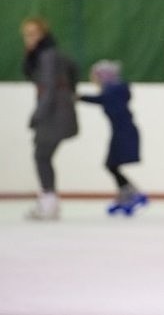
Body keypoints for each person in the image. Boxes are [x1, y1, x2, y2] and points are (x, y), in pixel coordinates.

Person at [20, 16, 78, 220]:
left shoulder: (46, 55)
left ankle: (49, 203)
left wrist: (37, 115)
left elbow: (49, 89)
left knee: (41, 156)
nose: (29, 38)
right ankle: (48, 201)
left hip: (53, 113)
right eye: (27, 34)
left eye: (34, 33)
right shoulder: (47, 53)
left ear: (42, 34)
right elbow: (72, 68)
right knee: (43, 156)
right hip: (56, 110)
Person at [78, 60, 148, 216]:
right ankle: (129, 193)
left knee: (111, 165)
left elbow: (103, 100)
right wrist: (80, 97)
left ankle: (133, 194)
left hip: (124, 132)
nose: (94, 80)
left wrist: (80, 97)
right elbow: (101, 100)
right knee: (111, 165)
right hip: (123, 131)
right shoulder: (113, 91)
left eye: (96, 77)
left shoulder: (112, 91)